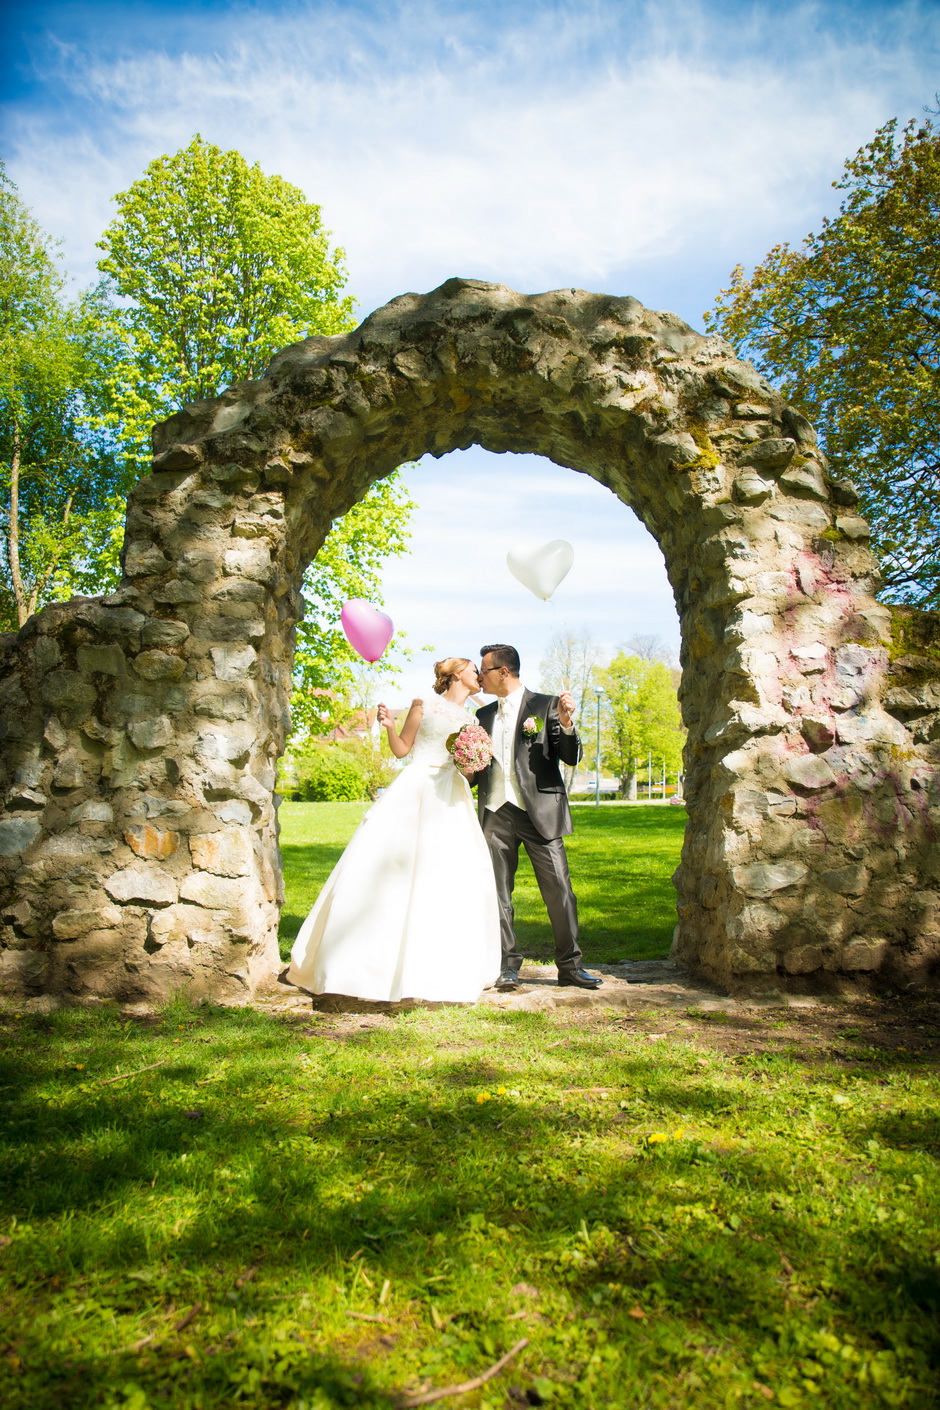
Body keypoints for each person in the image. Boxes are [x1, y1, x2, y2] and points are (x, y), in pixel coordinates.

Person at [286, 658, 501, 1003]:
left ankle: (439, 967)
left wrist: (472, 764)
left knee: (447, 872)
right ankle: (367, 965)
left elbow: (471, 774)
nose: (479, 676)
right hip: (417, 787)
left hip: (452, 795)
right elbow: (402, 749)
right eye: (474, 670)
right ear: (458, 673)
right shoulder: (423, 705)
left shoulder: (472, 721)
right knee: (391, 867)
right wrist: (388, 725)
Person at [474, 643, 602, 992]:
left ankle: (571, 966)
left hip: (539, 813)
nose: (478, 675)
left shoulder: (546, 705)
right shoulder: (482, 716)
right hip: (494, 812)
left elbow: (569, 756)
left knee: (560, 891)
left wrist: (565, 721)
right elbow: (477, 767)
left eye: (483, 670)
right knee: (498, 893)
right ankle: (506, 964)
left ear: (503, 672)